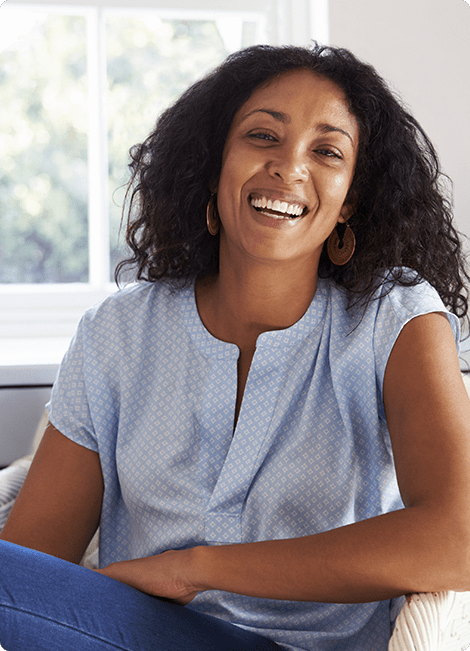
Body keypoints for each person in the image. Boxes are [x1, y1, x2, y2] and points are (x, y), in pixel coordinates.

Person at [1, 42, 470, 651]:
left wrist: (196, 567)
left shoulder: (396, 319)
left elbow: (458, 536)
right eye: (262, 137)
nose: (289, 167)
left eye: (326, 151)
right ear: (213, 161)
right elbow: (29, 571)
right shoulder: (117, 333)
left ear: (351, 197)